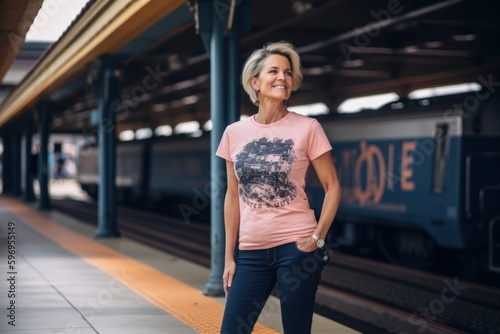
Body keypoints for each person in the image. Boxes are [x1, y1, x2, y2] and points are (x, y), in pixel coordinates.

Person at [216, 41, 342, 334]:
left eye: (287, 72)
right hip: (250, 252)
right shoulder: (234, 133)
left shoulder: (308, 128)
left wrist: (317, 238)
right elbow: (232, 197)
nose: (282, 77)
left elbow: (333, 186)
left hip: (296, 248)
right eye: (274, 71)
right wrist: (229, 258)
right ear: (255, 82)